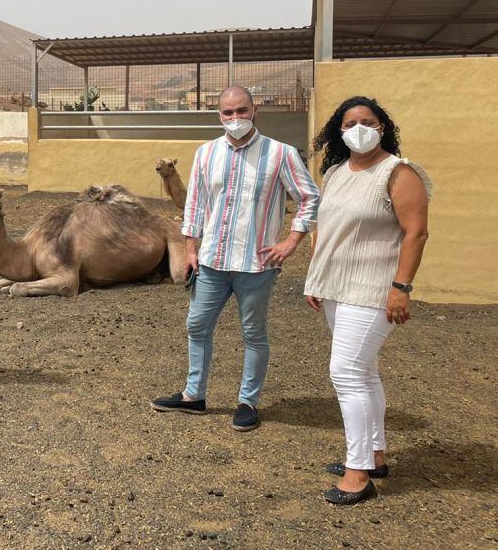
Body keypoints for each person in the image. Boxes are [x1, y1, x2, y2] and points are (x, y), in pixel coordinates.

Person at [152, 85, 320, 431]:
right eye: (228, 112)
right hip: (212, 262)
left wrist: (291, 242)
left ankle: (247, 401)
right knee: (197, 325)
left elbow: (309, 198)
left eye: (242, 110)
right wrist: (191, 248)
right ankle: (193, 395)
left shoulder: (281, 154)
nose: (235, 118)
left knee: (253, 333)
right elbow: (195, 204)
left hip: (256, 265)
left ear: (254, 111)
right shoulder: (206, 153)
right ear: (220, 115)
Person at [304, 97, 430, 505]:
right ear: (339, 132)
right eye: (350, 123)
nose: (359, 129)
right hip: (337, 287)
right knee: (366, 373)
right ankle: (374, 455)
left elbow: (416, 233)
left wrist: (401, 287)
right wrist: (316, 277)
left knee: (346, 373)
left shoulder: (398, 172)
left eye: (368, 122)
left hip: (373, 289)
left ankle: (357, 473)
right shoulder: (336, 172)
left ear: (382, 127)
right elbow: (327, 227)